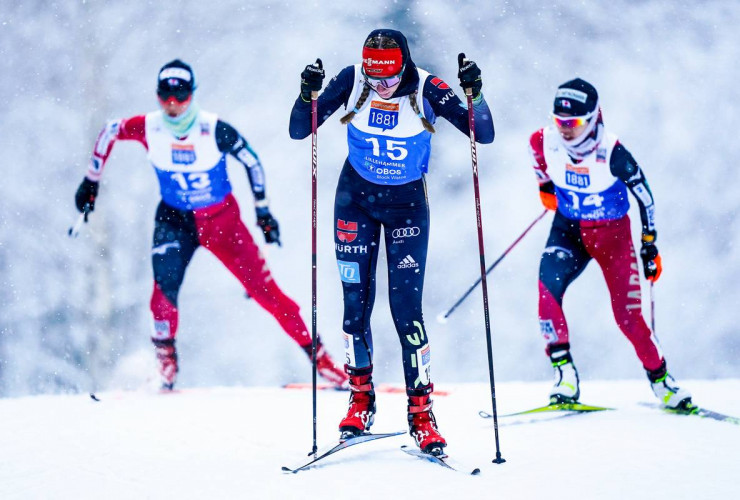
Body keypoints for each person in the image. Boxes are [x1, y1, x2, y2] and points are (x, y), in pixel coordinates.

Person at [74, 59, 347, 390]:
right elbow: (110, 131)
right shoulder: (149, 127)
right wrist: (90, 181)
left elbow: (252, 162)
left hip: (222, 223)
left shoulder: (213, 128)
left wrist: (263, 212)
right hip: (174, 219)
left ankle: (323, 361)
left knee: (267, 293)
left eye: (181, 96)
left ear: (192, 95)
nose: (173, 104)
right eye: (165, 96)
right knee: (162, 293)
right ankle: (166, 365)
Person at [289, 29, 495, 454]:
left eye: (388, 78)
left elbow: (483, 133)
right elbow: (298, 129)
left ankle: (422, 414)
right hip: (355, 202)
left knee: (406, 312)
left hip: (406, 209)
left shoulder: (428, 87)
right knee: (354, 306)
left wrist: (474, 95)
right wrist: (306, 95)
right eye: (373, 76)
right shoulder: (351, 79)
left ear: (404, 65)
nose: (379, 85)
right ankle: (360, 400)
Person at [529, 77, 691, 409]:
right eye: (560, 121)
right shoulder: (543, 140)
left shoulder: (613, 153)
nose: (565, 130)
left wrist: (649, 245)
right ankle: (565, 376)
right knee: (547, 295)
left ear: (592, 118)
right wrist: (546, 189)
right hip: (568, 230)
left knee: (628, 318)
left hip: (612, 236)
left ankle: (662, 382)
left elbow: (645, 198)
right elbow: (539, 163)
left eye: (573, 123)